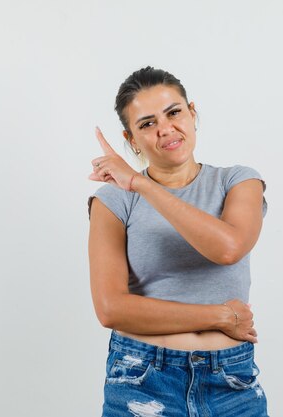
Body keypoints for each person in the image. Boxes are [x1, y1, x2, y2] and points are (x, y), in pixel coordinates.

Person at [87, 66, 269, 417]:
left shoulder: (238, 181)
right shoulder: (113, 200)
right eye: (147, 124)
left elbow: (228, 248)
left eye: (174, 112)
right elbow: (111, 308)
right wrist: (219, 316)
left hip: (231, 382)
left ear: (192, 113)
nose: (165, 129)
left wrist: (143, 184)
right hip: (142, 379)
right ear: (131, 139)